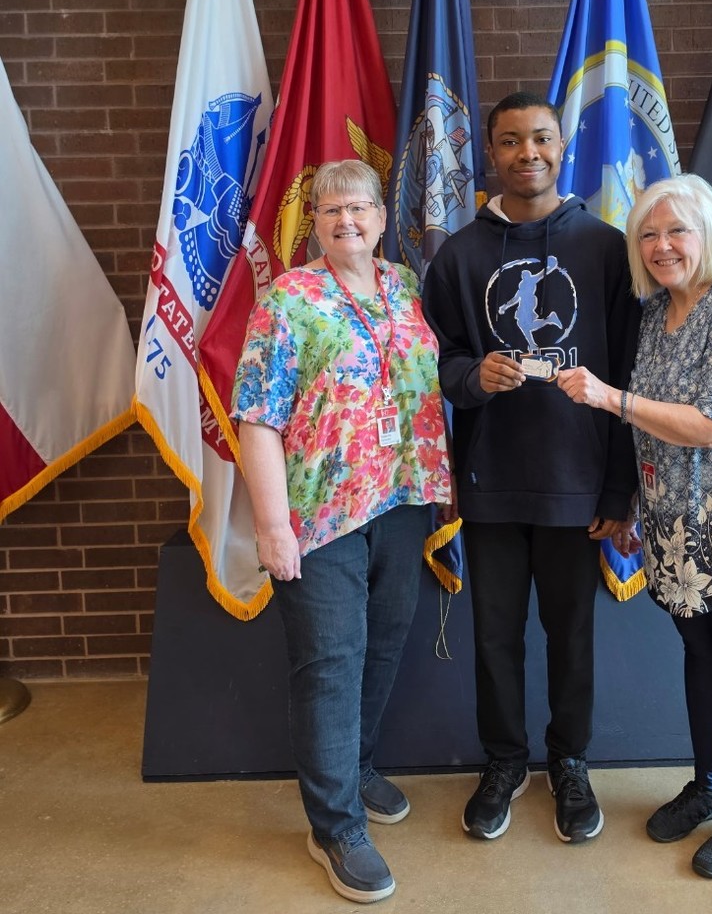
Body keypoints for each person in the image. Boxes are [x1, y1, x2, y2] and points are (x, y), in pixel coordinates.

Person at [556, 173, 712, 879]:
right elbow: (652, 434)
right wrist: (637, 502)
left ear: (708, 235)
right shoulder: (652, 313)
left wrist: (609, 397)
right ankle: (710, 782)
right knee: (700, 652)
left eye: (678, 231)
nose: (663, 245)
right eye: (649, 234)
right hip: (674, 516)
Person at [421, 91, 640, 844]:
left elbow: (630, 372)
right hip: (490, 484)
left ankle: (569, 762)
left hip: (578, 486)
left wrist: (619, 488)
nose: (528, 154)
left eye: (541, 139)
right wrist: (468, 381)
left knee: (572, 634)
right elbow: (436, 360)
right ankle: (504, 762)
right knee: (494, 637)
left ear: (562, 145)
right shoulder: (459, 254)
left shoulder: (606, 248)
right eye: (511, 141)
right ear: (492, 153)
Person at [232, 159, 453, 903]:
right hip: (318, 515)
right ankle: (333, 828)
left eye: (358, 208)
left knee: (383, 645)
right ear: (315, 224)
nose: (346, 221)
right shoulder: (287, 300)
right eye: (330, 212)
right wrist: (271, 527)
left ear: (382, 219)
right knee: (330, 662)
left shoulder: (408, 287)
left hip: (401, 501)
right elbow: (256, 418)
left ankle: (353, 768)